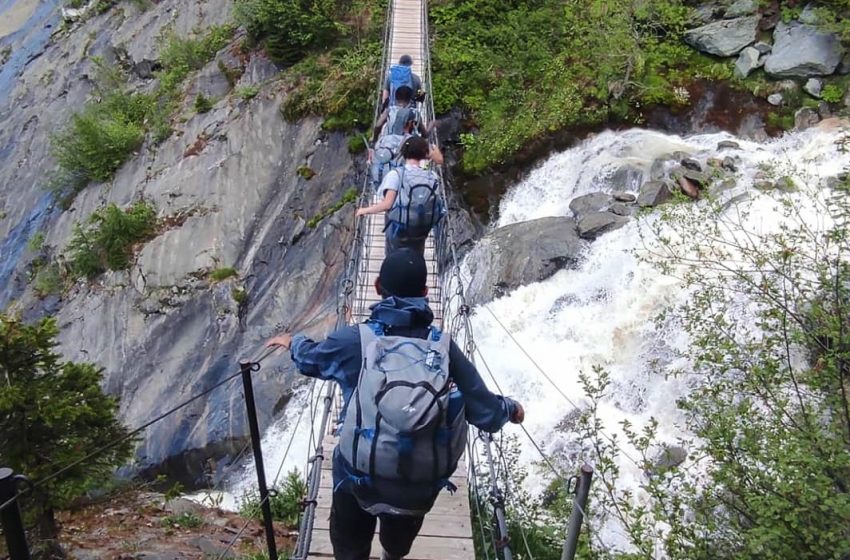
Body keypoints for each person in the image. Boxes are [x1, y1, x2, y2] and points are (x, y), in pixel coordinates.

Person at [267, 249, 524, 560]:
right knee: (398, 544)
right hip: (417, 486)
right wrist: (511, 409)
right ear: (426, 294)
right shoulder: (443, 348)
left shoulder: (355, 340)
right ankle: (392, 553)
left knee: (349, 545)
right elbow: (485, 413)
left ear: (377, 287)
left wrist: (293, 341)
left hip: (357, 476)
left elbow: (310, 360)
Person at [356, 137, 444, 257]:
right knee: (416, 258)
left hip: (399, 230)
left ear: (403, 152)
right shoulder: (432, 176)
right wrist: (436, 156)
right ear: (425, 155)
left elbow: (387, 204)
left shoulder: (396, 174)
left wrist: (364, 210)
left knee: (394, 259)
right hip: (421, 229)